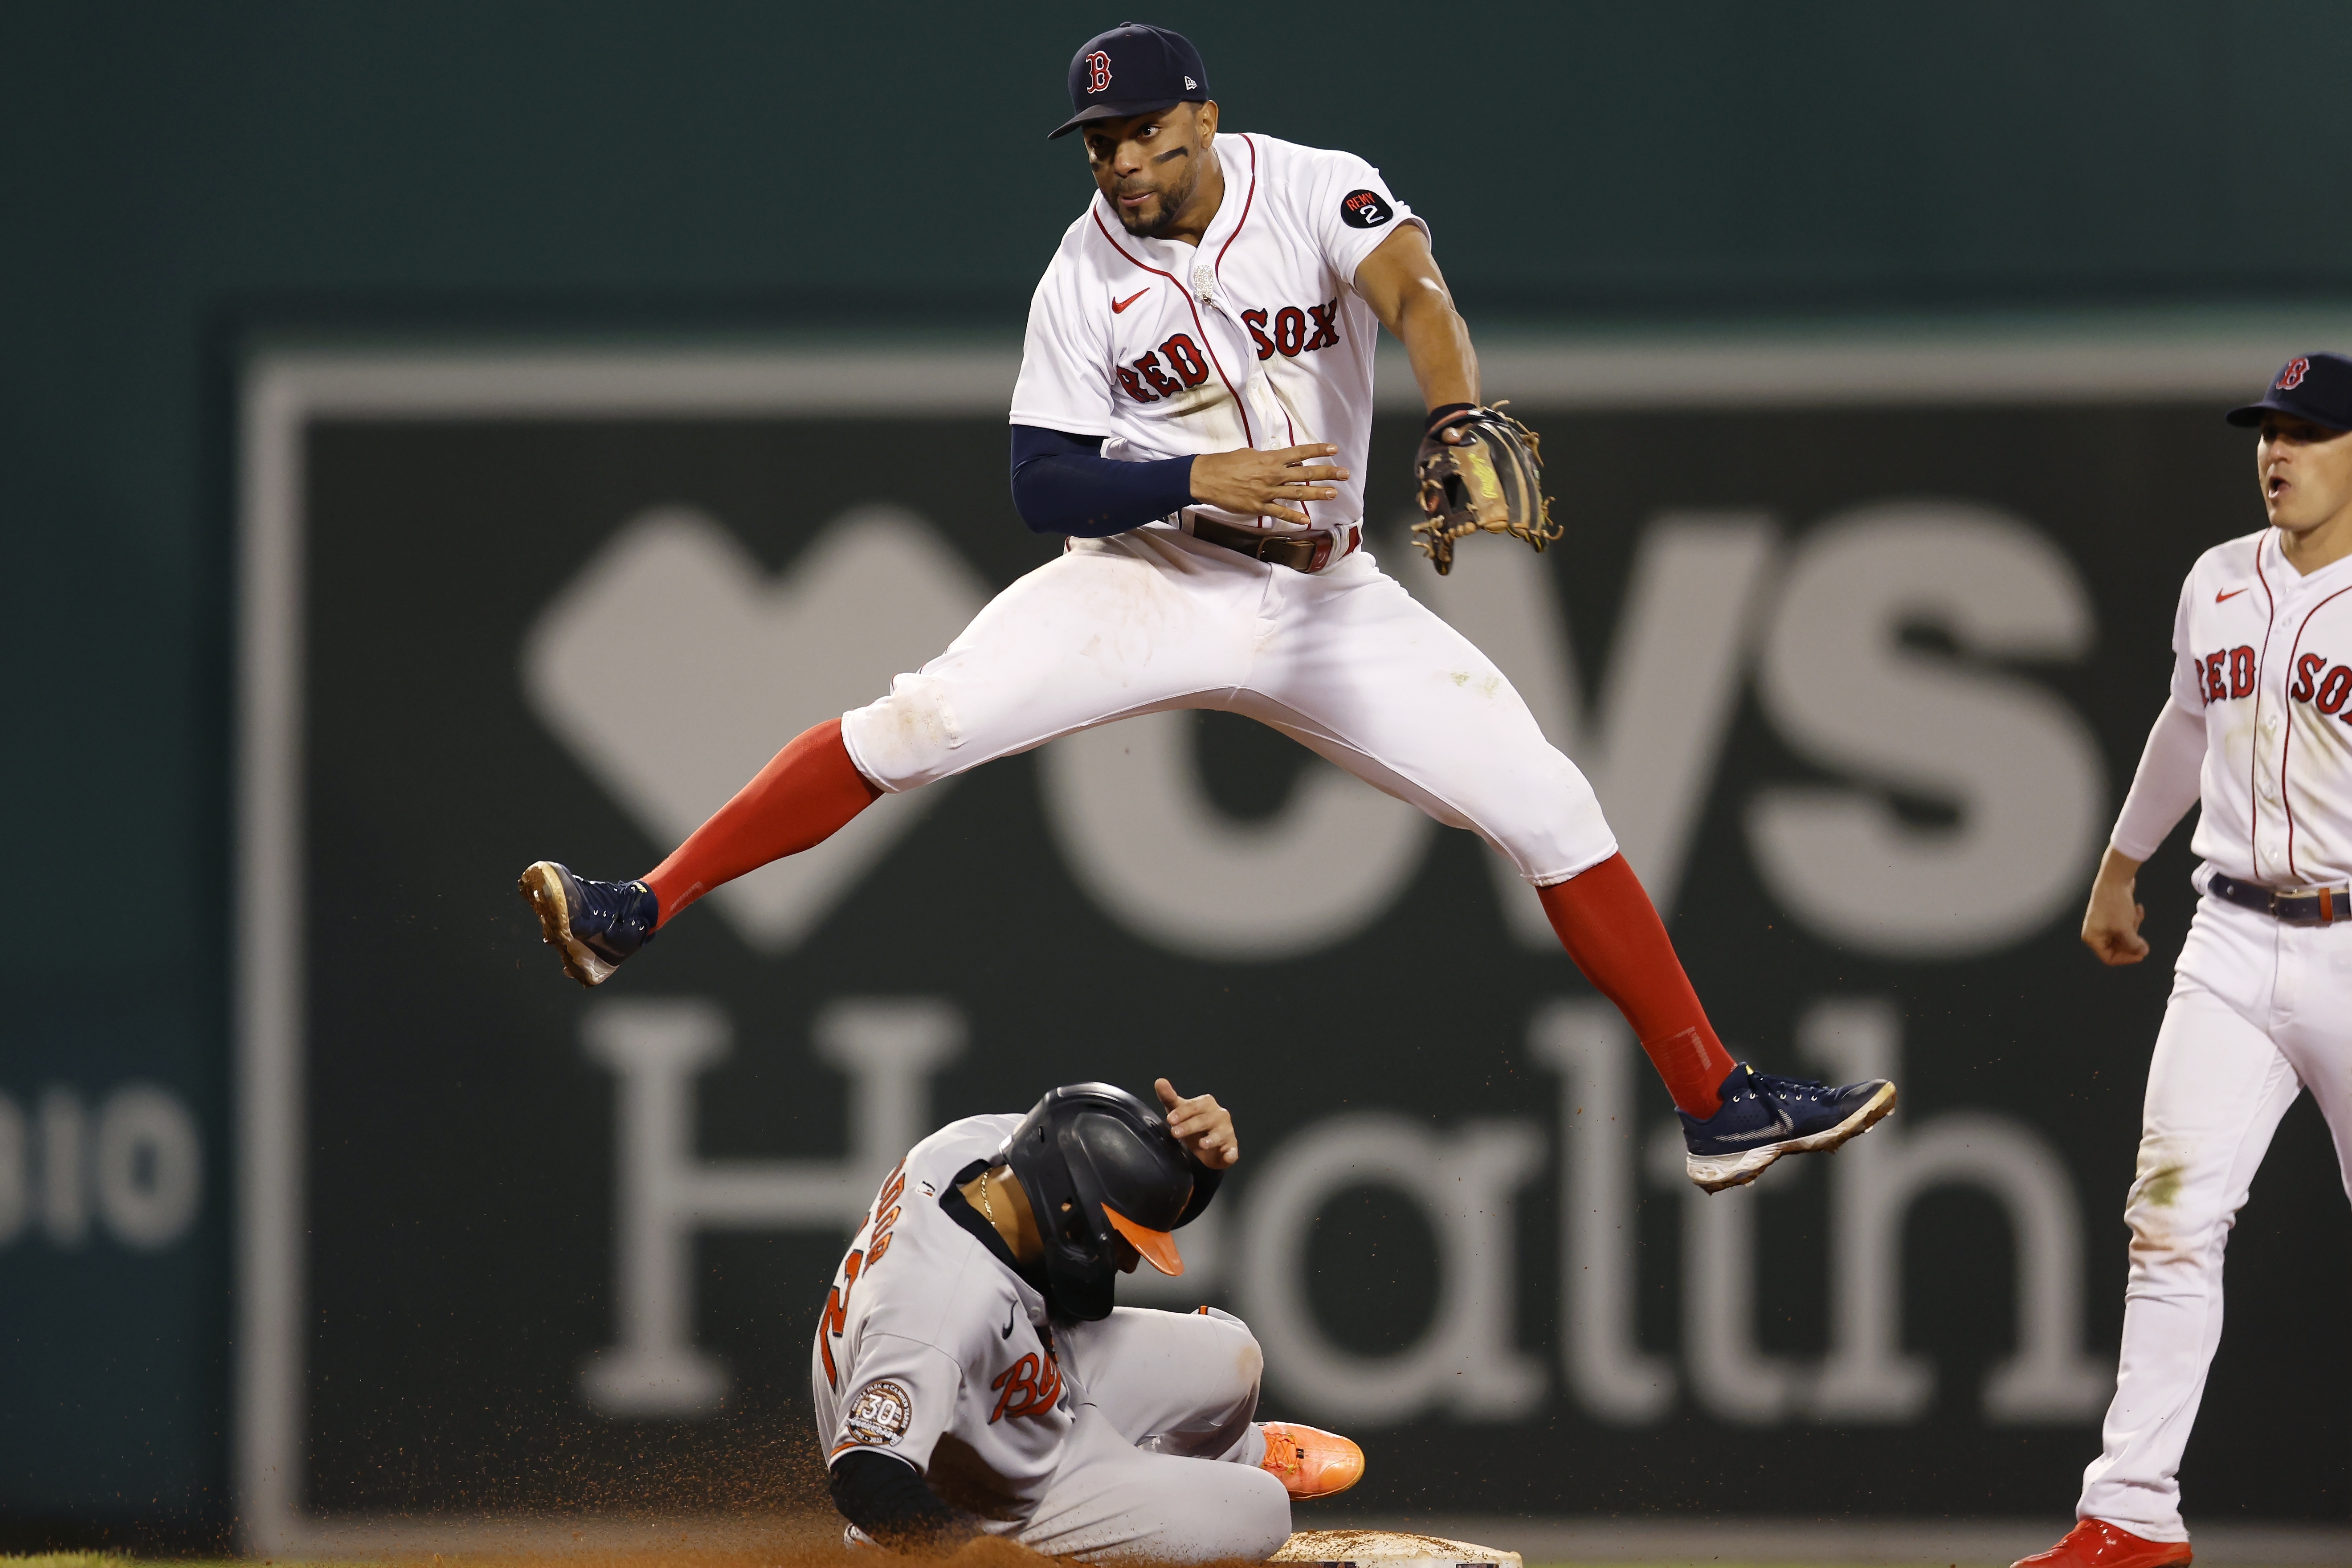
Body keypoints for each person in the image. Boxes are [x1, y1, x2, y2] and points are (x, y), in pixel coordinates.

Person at [517, 22, 1894, 1192]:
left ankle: (1714, 1103)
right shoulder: (1085, 275)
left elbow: (1414, 293)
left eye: (1139, 133)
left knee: (1548, 805)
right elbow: (1040, 484)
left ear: (1203, 119)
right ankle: (638, 905)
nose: (1117, 161)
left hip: (1326, 602)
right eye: (1097, 140)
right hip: (1150, 582)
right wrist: (1197, 473)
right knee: (917, 720)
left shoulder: (1309, 191)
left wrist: (1458, 407)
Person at [2014, 353, 2352, 1568]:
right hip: (2228, 935)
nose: (2278, 453)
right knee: (2168, 1220)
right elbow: (2186, 722)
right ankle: (2131, 1515)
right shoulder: (2218, 579)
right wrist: (2121, 862)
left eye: (2308, 434)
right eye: (2268, 431)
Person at [813, 1076, 1353, 1561]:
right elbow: (866, 1476)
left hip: (1014, 1383)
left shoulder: (975, 1152)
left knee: (1235, 1357)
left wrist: (1196, 1170)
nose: (1131, 1259)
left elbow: (1101, 1195)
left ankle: (1228, 1459)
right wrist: (967, 1551)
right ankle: (892, 1549)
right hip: (993, 1494)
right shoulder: (938, 1306)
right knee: (1261, 1511)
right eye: (1122, 1242)